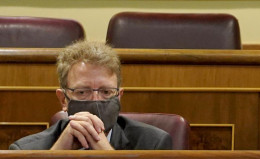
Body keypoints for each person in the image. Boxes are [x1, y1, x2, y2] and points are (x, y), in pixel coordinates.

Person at [10, 40, 172, 150]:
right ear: (63, 99)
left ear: (119, 96)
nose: (95, 100)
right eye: (82, 92)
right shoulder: (27, 150)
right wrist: (57, 154)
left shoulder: (153, 144)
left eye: (106, 92)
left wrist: (107, 155)